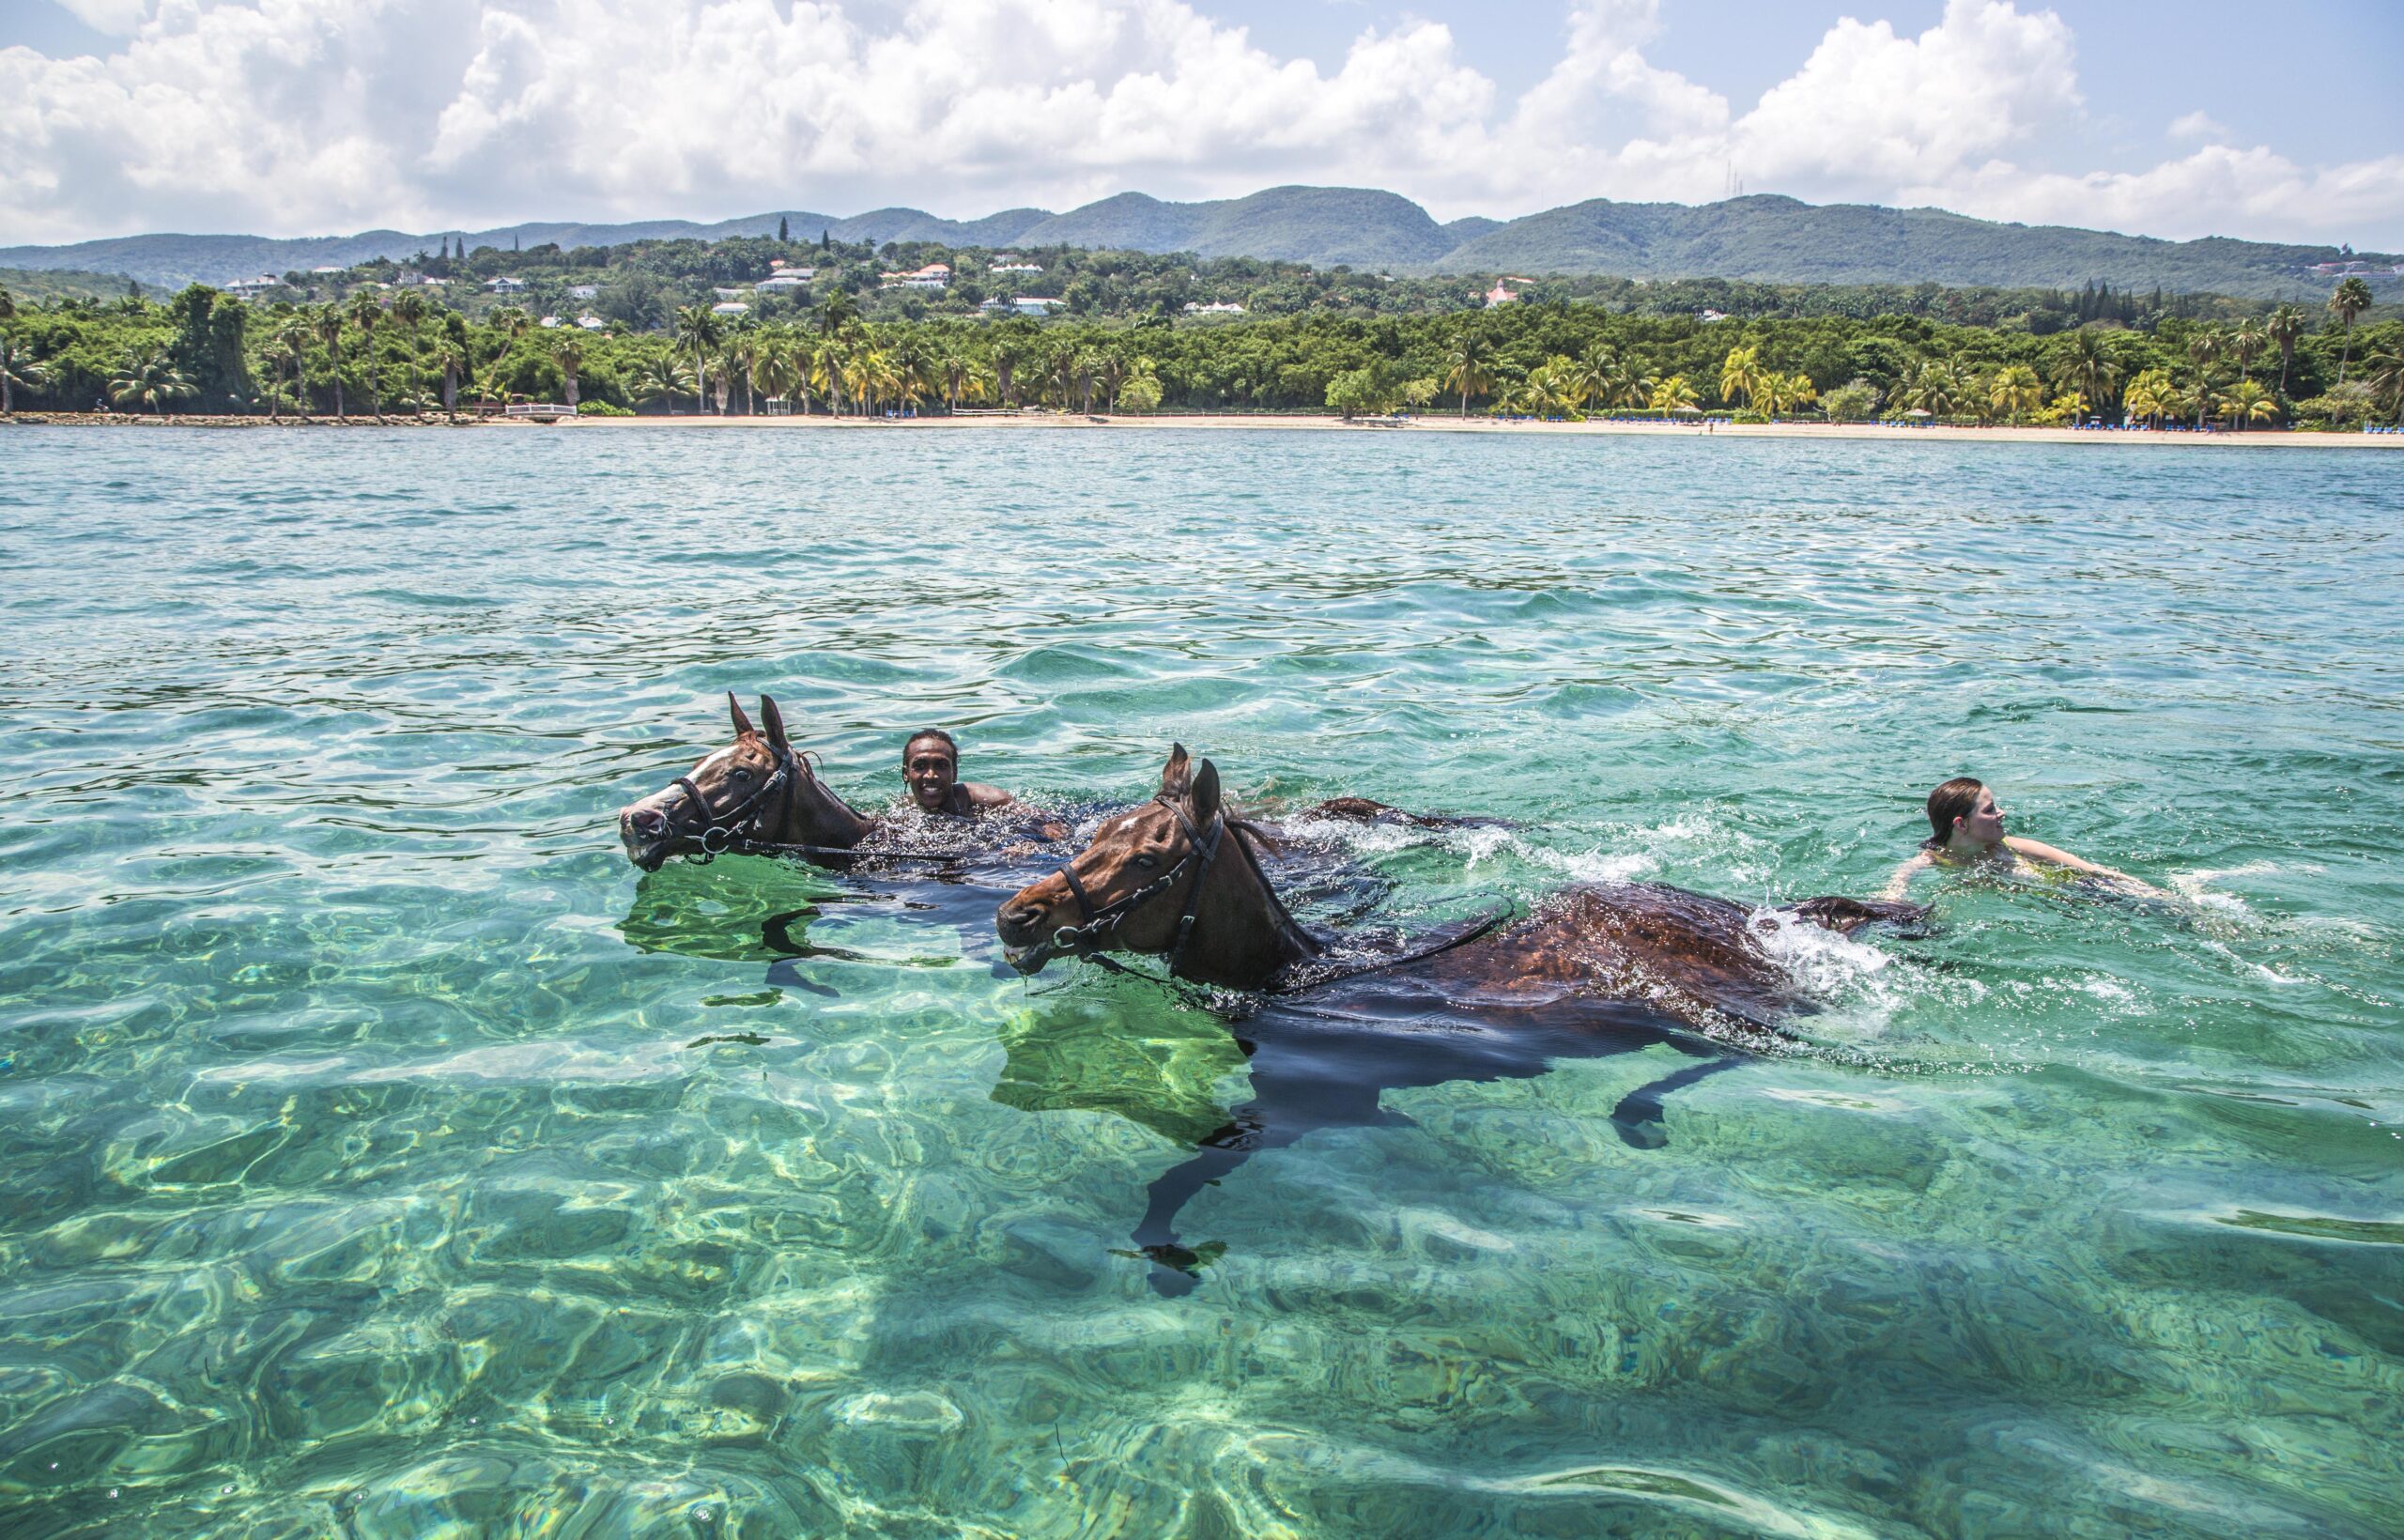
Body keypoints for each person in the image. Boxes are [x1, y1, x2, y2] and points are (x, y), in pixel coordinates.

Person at [1882, 777, 2166, 900]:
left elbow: (2094, 872)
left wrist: (2156, 896)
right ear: (1962, 824)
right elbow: (1897, 885)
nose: (2002, 813)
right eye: (1991, 809)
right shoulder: (1934, 860)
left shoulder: (2013, 847)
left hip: (2085, 893)